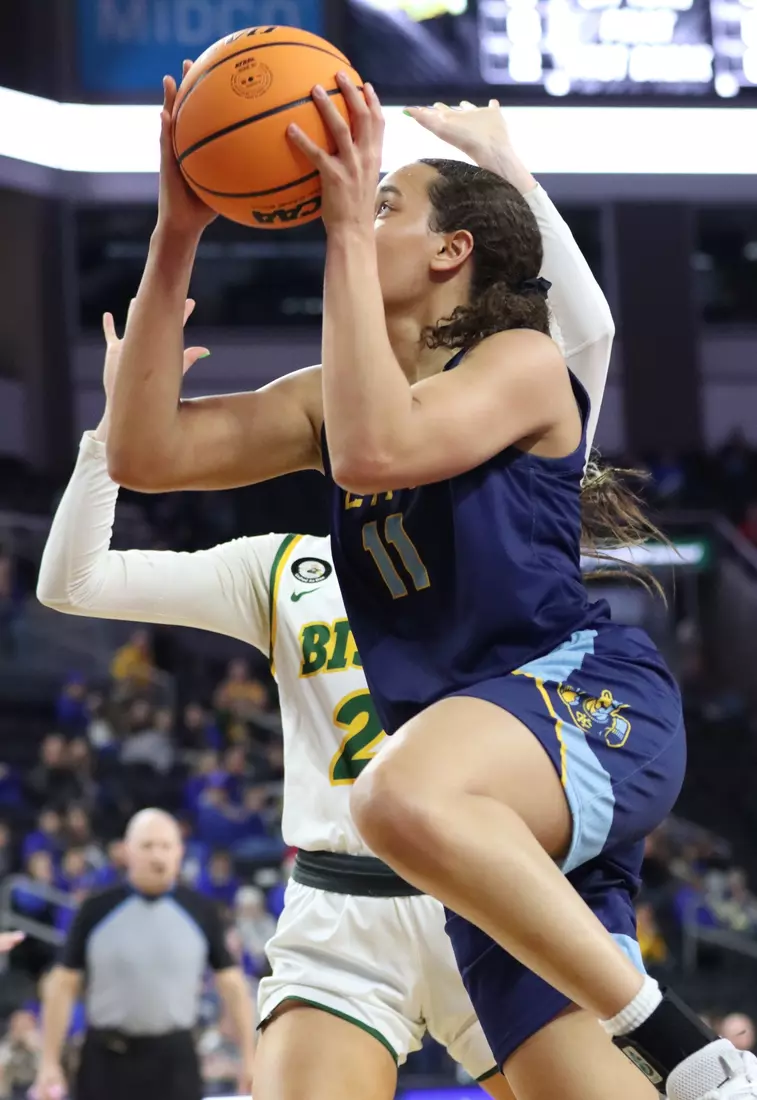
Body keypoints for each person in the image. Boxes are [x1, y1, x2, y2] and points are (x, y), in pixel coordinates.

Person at [103, 68, 757, 1100]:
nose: (355, 204)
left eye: (384, 202)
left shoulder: (520, 362)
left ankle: (695, 1055)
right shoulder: (329, 401)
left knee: (392, 790)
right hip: (472, 790)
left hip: (579, 702)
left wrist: (362, 225)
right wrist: (178, 227)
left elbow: (379, 449)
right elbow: (141, 454)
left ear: (452, 251)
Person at [32, 809, 254, 1100]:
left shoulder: (202, 911)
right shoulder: (95, 909)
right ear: (127, 851)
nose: (156, 855)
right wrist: (48, 1062)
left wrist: (250, 1057)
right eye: (147, 846)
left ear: (179, 852)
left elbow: (233, 985)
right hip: (106, 1062)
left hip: (175, 1062)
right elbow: (62, 985)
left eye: (165, 846)